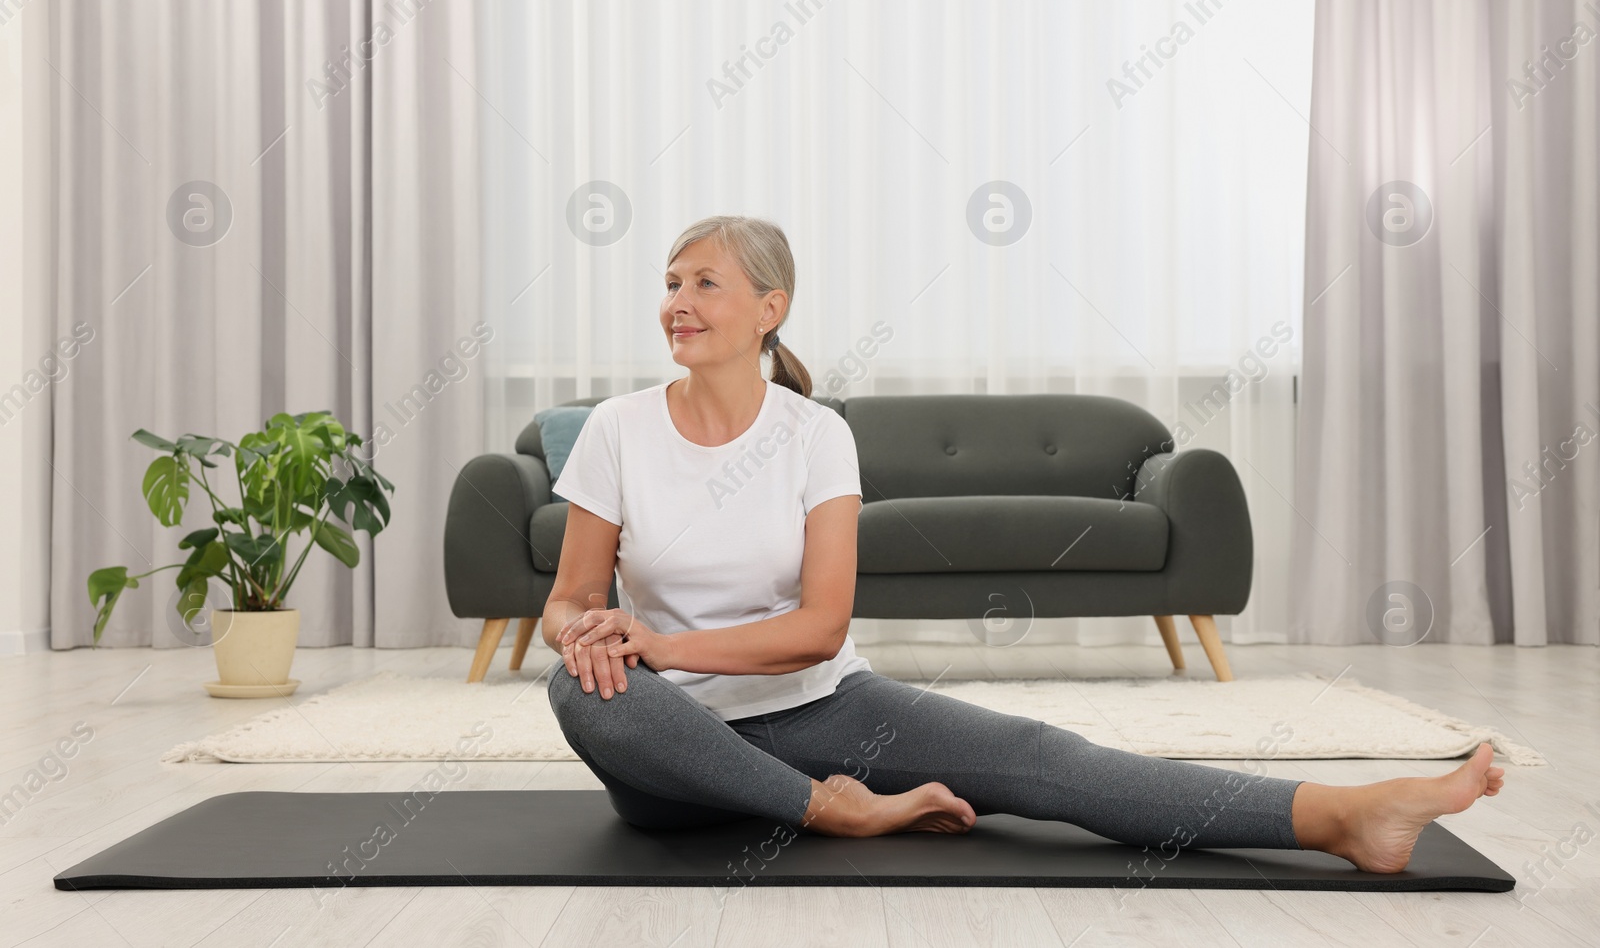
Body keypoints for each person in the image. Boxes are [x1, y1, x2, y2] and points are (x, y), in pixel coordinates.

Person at [541, 215, 1505, 874]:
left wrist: (661, 643)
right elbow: (572, 595)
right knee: (574, 691)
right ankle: (827, 807)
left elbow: (821, 629)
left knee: (1038, 754)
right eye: (670, 283)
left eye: (705, 282)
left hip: (821, 710)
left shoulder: (814, 435)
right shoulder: (618, 428)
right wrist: (583, 632)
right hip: (671, 751)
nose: (678, 300)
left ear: (770, 305)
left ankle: (1342, 816)